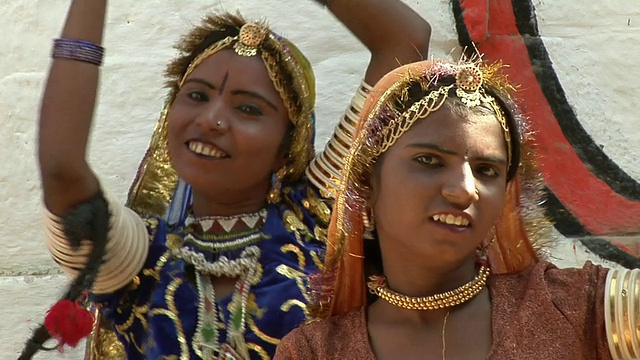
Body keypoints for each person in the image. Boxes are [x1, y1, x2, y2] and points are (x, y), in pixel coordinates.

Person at [19, 1, 432, 359]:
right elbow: (62, 169)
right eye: (197, 96)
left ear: (288, 145)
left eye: (248, 109)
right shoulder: (138, 258)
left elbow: (406, 40)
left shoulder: (322, 218)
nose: (212, 119)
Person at [274, 59, 640, 359]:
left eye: (487, 171)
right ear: (367, 184)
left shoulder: (581, 309)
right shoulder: (316, 352)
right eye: (429, 160)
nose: (464, 190)